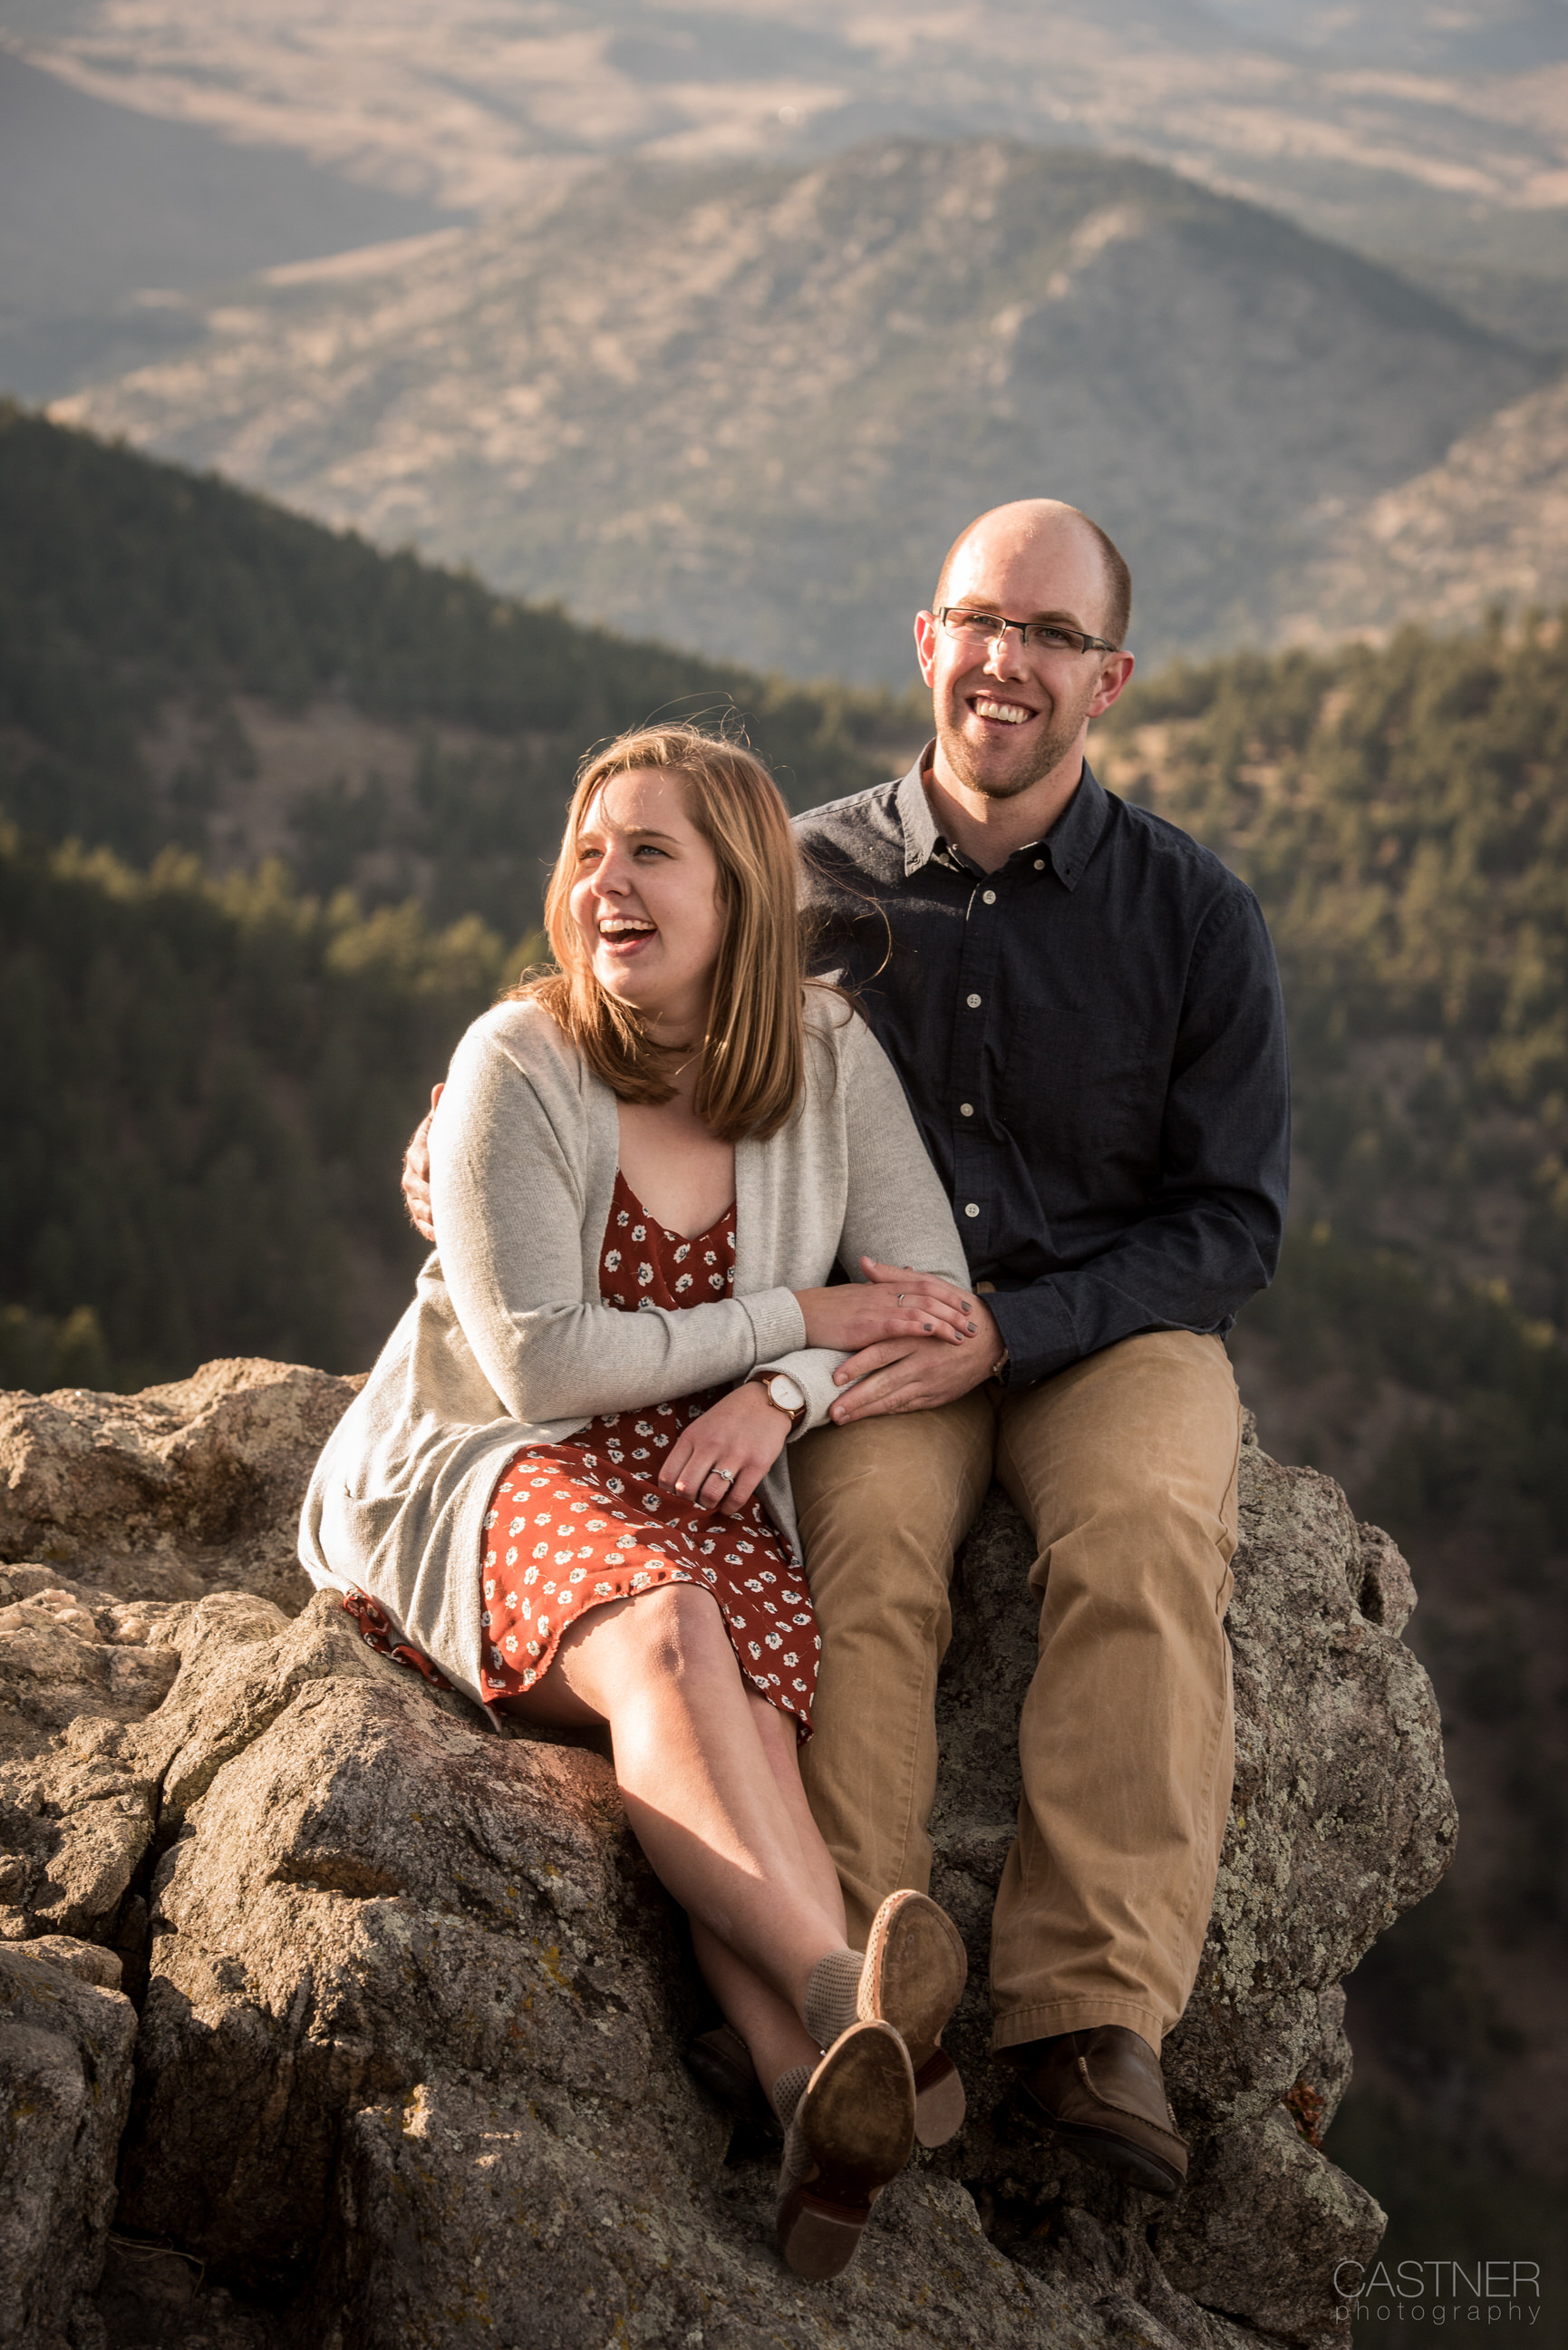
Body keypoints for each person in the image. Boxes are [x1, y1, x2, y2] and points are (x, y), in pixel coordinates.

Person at [403, 500, 1292, 2199]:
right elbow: (597, 1023)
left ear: (1108, 679)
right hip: (861, 1336)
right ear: (924, 641)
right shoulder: (791, 879)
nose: (1004, 663)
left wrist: (1011, 1331)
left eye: (1047, 636)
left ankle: (1091, 2021)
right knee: (869, 1555)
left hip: (1104, 1327)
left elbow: (1229, 1225)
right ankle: (875, 2014)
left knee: (1145, 1540)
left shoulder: (1193, 916)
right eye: (978, 622)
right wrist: (447, 1141)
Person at [302, 725, 977, 2279]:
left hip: (712, 1474)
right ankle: (839, 1998)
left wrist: (782, 1392)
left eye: (649, 851)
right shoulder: (514, 1063)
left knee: (734, 1713)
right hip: (495, 1470)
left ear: (741, 892)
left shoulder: (819, 1055)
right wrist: (798, 1316)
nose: (603, 880)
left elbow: (923, 1292)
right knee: (670, 1632)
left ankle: (824, 2110)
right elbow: (539, 1366)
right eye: (587, 849)